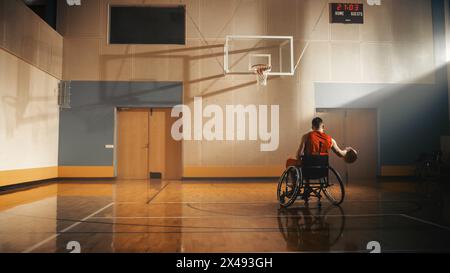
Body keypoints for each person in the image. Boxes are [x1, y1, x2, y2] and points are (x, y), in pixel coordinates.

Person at [286, 117, 355, 167]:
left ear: (312, 127)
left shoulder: (306, 136)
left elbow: (299, 154)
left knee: (289, 161)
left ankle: (294, 184)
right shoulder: (331, 140)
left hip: (307, 167)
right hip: (322, 168)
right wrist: (347, 150)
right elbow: (340, 154)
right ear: (323, 126)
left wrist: (299, 158)